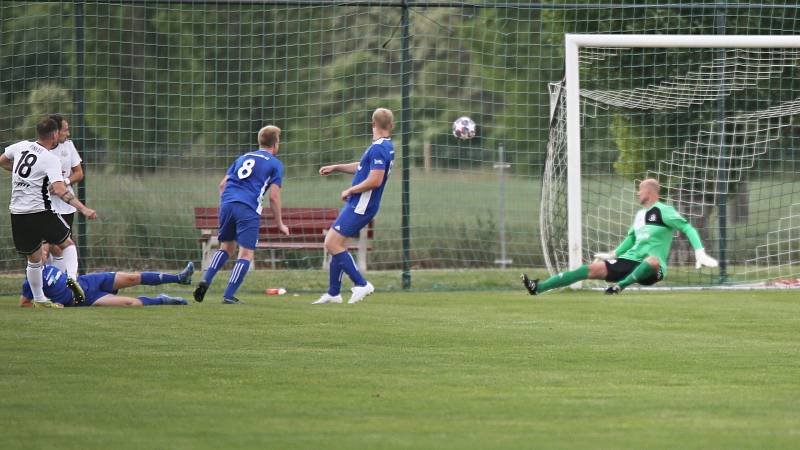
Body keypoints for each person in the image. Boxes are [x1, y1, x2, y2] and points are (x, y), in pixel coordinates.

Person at [521, 178, 719, 295]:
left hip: (652, 269)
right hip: (628, 261)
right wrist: (613, 253)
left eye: (639, 190)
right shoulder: (640, 215)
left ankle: (619, 287)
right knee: (588, 269)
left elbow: (688, 228)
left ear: (649, 192)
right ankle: (538, 287)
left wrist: (699, 252)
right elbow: (631, 239)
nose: (637, 194)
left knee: (652, 260)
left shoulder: (664, 211)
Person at [0, 117, 98, 309]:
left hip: (18, 214)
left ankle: (39, 299)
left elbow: (2, 161)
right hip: (40, 212)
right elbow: (61, 191)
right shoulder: (49, 159)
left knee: (34, 259)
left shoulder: (20, 146)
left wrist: (21, 175)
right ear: (54, 134)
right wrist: (83, 208)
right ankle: (71, 278)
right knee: (68, 244)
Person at [193, 125, 289, 304]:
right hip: (248, 207)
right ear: (276, 144)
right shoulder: (275, 164)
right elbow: (274, 197)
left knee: (226, 247)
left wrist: (230, 203)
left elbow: (222, 185)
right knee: (245, 254)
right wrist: (280, 224)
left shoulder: (243, 157)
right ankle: (228, 295)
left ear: (260, 141)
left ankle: (206, 279)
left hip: (228, 204)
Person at [312, 108, 395, 305]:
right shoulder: (384, 146)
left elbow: (375, 179)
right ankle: (334, 293)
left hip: (361, 205)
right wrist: (337, 167)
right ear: (390, 126)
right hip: (361, 204)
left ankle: (361, 283)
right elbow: (364, 167)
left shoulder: (378, 148)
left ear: (372, 124)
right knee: (338, 245)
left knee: (331, 244)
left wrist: (351, 190)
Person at [19, 262, 194, 307]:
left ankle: (180, 278)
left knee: (132, 278)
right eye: (39, 251)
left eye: (43, 250)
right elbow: (24, 303)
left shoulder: (49, 265)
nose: (43, 253)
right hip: (86, 299)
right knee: (129, 303)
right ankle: (163, 300)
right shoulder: (30, 280)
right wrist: (50, 305)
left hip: (89, 281)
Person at [41, 114, 84, 274]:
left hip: (66, 207)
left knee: (62, 247)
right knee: (45, 249)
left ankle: (63, 282)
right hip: (43, 206)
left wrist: (63, 182)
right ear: (55, 132)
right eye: (65, 130)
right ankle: (43, 287)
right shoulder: (39, 150)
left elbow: (79, 173)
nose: (68, 133)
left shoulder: (68, 146)